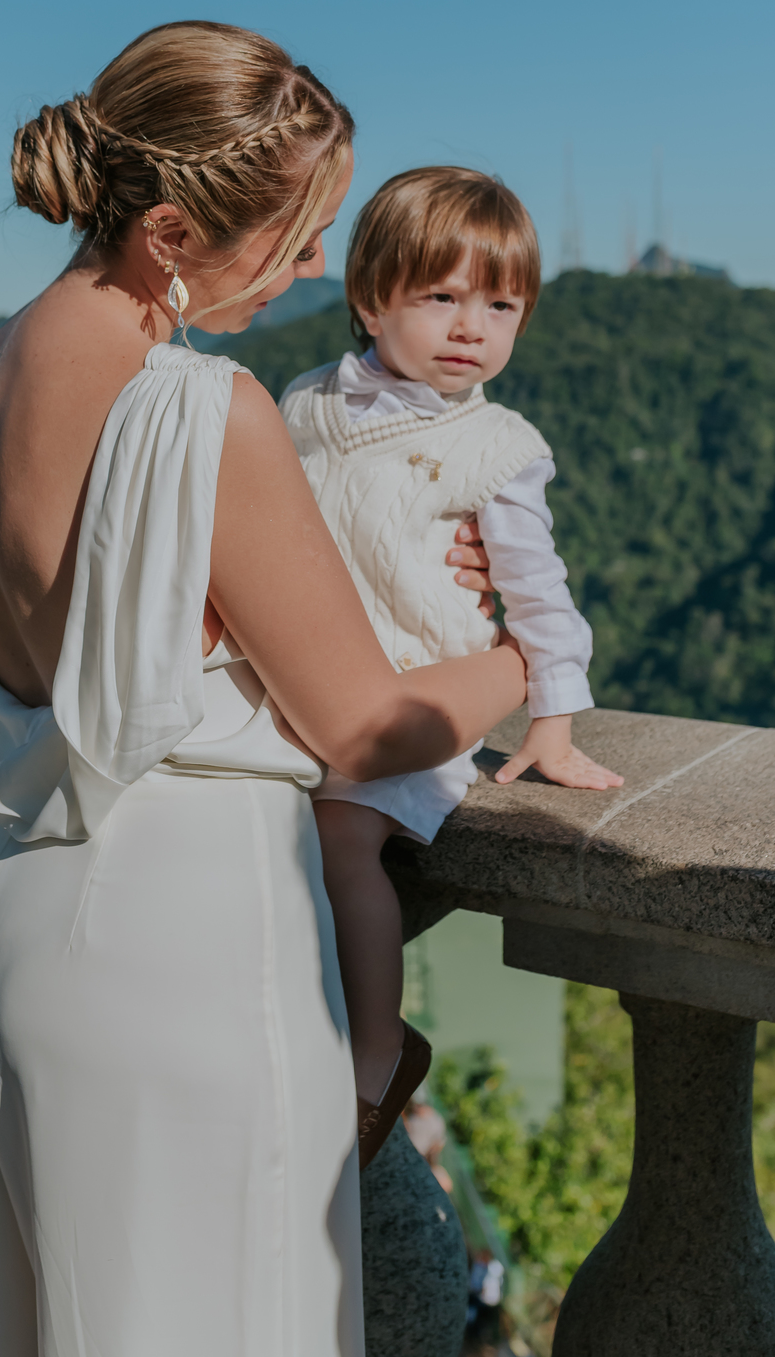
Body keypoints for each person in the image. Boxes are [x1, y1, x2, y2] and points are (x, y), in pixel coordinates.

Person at [0, 28, 528, 1357]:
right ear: (172, 229)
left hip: (10, 904)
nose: (308, 275)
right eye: (296, 240)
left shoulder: (2, 364)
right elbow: (362, 722)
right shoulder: (202, 406)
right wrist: (522, 661)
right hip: (184, 944)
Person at [279, 167, 623, 1165]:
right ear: (369, 295)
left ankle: (376, 1058)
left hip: (415, 690)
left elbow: (538, 591)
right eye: (440, 295)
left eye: (501, 304)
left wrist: (550, 723)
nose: (472, 326)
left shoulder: (497, 447)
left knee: (344, 836)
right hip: (299, 677)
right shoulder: (303, 404)